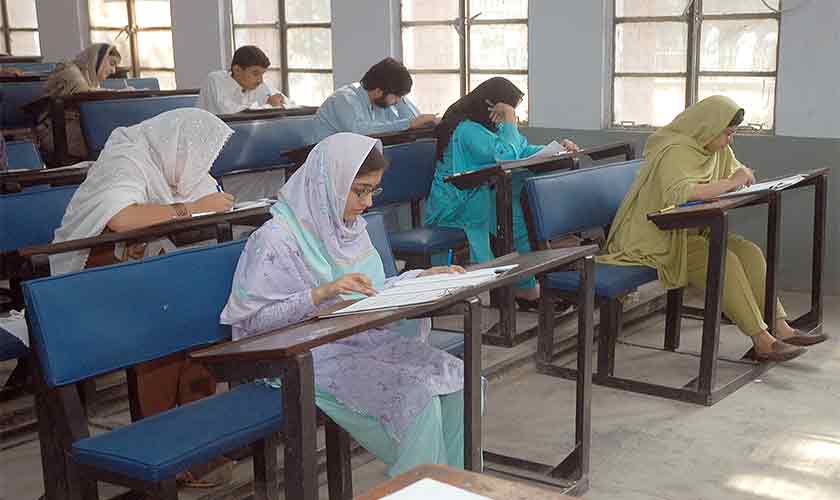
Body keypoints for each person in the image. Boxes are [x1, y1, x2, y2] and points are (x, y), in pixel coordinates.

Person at [221, 132, 471, 477]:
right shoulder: (276, 238)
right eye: (360, 191)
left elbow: (371, 291)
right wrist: (320, 294)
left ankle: (454, 487)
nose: (368, 203)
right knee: (419, 400)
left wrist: (422, 277)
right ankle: (421, 486)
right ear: (330, 185)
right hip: (301, 355)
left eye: (372, 191)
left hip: (357, 338)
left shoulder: (348, 227)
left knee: (461, 384)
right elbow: (253, 325)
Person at [50, 108, 237, 486]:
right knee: (167, 332)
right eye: (196, 153)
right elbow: (121, 218)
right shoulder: (127, 157)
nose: (199, 162)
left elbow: (216, 195)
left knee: (208, 320)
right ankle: (170, 448)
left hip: (140, 275)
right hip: (84, 278)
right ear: (177, 142)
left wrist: (211, 199)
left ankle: (201, 440)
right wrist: (196, 208)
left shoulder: (172, 162)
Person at [599, 95, 827, 362]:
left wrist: (739, 176)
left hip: (692, 230)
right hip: (655, 236)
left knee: (749, 251)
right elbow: (680, 194)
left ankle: (780, 327)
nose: (730, 140)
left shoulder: (715, 148)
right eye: (727, 134)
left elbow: (738, 170)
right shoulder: (674, 150)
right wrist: (731, 183)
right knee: (723, 260)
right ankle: (762, 340)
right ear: (708, 127)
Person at [424, 77, 578, 307]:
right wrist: (509, 121)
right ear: (490, 104)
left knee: (518, 215)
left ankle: (524, 287)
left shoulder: (485, 126)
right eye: (507, 109)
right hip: (457, 204)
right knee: (515, 217)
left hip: (480, 195)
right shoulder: (466, 129)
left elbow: (521, 149)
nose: (509, 115)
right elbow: (507, 156)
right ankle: (519, 290)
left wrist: (556, 150)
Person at [310, 57, 437, 143]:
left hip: (349, 157)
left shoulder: (380, 102)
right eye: (397, 96)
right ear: (378, 91)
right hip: (324, 158)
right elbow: (361, 131)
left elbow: (414, 127)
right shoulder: (344, 99)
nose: (398, 101)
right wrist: (409, 123)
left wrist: (402, 102)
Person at [35, 43, 122, 161]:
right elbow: (83, 93)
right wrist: (118, 92)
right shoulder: (68, 69)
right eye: (111, 64)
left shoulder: (92, 79)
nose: (113, 71)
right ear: (98, 58)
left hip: (76, 127)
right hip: (55, 131)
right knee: (111, 141)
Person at [198, 45, 292, 115]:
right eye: (255, 74)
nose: (260, 80)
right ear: (237, 70)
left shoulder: (258, 85)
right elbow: (232, 115)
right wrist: (268, 106)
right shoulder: (215, 80)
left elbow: (291, 106)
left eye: (262, 74)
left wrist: (281, 101)